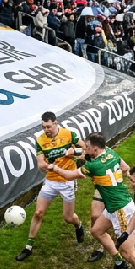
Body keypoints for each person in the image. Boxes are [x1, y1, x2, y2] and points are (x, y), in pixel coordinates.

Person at [46, 132, 135, 269]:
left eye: (87, 146)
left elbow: (69, 176)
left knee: (129, 253)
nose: (85, 148)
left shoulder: (93, 166)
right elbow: (125, 167)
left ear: (95, 148)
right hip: (113, 204)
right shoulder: (110, 152)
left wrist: (55, 168)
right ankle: (119, 263)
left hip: (120, 208)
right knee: (96, 231)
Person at [16, 111, 87, 261]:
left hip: (67, 180)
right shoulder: (40, 141)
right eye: (43, 127)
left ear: (55, 123)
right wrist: (47, 166)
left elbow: (86, 149)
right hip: (51, 180)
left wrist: (74, 153)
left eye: (48, 127)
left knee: (68, 218)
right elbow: (40, 164)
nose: (46, 130)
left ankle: (78, 225)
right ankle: (28, 247)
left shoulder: (68, 134)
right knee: (38, 213)